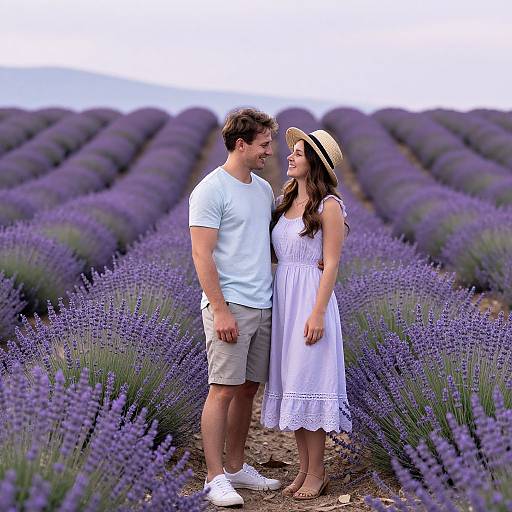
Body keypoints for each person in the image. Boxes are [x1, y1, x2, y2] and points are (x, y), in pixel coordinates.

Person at [189, 108, 282, 507]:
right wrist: (220, 309)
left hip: (262, 303)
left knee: (247, 390)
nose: (270, 152)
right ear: (240, 144)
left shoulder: (261, 189)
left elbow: (265, 244)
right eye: (264, 144)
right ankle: (214, 478)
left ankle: (237, 467)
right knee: (222, 390)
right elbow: (202, 255)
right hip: (230, 306)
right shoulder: (211, 190)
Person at [260, 127, 352, 500]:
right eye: (292, 152)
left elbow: (330, 264)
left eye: (298, 153)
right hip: (285, 300)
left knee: (310, 385)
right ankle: (303, 469)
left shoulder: (329, 205)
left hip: (312, 303)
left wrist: (316, 314)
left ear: (313, 162)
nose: (290, 157)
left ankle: (318, 472)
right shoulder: (285, 202)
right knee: (295, 385)